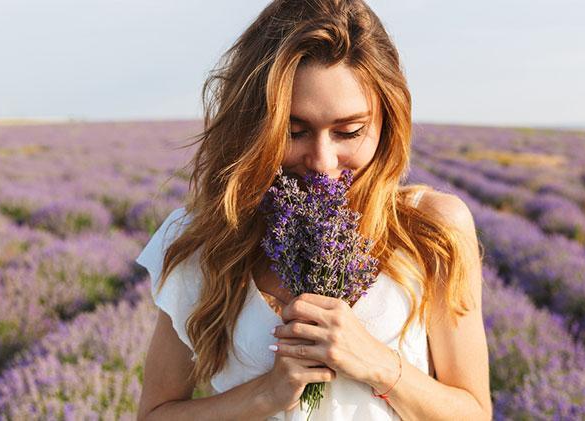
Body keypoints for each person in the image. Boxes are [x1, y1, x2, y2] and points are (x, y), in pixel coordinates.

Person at [136, 0, 491, 419]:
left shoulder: (432, 229)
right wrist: (267, 393)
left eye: (349, 131)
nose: (322, 161)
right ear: (254, 126)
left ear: (388, 121)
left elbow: (474, 412)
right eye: (294, 130)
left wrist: (376, 363)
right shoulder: (204, 238)